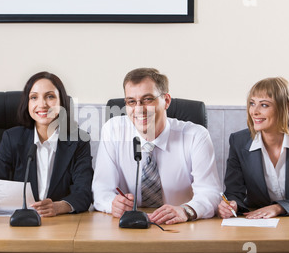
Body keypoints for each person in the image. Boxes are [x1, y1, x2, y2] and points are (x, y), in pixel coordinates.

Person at [92, 68, 222, 224]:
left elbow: (211, 192)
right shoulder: (113, 131)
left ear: (166, 101)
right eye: (131, 101)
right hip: (129, 226)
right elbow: (101, 189)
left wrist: (186, 211)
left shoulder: (196, 136)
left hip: (181, 227)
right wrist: (112, 204)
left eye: (147, 99)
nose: (139, 109)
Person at [0, 71, 93, 216]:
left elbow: (84, 193)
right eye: (34, 97)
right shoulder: (12, 138)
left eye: (50, 97)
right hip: (18, 222)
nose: (42, 104)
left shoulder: (79, 141)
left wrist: (59, 207)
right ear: (27, 103)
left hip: (60, 225)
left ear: (62, 101)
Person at [219, 77, 289, 219]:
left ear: (286, 106)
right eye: (252, 103)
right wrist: (232, 205)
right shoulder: (238, 142)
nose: (254, 112)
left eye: (264, 105)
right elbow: (234, 192)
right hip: (257, 220)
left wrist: (278, 208)